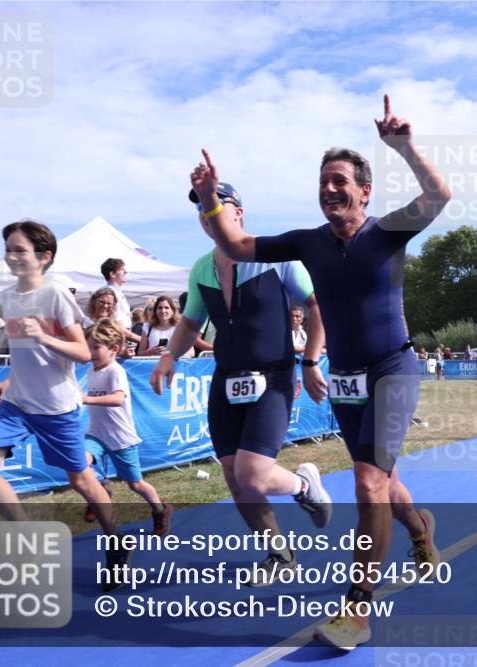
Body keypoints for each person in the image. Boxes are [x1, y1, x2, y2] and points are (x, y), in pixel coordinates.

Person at [187, 94, 450, 650]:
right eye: (323, 182)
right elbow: (233, 242)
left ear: (364, 190)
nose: (330, 190)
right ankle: (420, 528)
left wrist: (403, 147)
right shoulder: (306, 243)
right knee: (382, 478)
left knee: (367, 481)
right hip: (347, 375)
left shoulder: (390, 231)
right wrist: (211, 199)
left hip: (393, 367)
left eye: (340, 181)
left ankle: (356, 609)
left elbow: (439, 194)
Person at [151, 179, 332, 587]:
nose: (208, 213)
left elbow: (316, 307)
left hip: (274, 377)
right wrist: (168, 357)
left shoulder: (275, 256)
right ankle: (280, 554)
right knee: (235, 478)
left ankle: (304, 486)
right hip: (226, 379)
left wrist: (311, 360)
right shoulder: (201, 268)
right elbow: (191, 322)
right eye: (201, 208)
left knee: (253, 474)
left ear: (239, 213)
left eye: (217, 203)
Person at [0, 220, 131, 591]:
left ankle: (116, 540)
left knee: (80, 480)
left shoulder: (56, 294)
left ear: (44, 257)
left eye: (20, 249)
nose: (12, 256)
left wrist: (43, 334)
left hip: (58, 407)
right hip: (18, 403)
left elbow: (83, 352)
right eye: (9, 248)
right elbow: (26, 355)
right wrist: (11, 377)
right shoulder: (7, 297)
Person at [81, 318, 172, 535]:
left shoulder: (115, 371)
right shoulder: (91, 371)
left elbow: (117, 399)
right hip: (96, 434)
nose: (90, 352)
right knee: (80, 464)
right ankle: (100, 491)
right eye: (88, 347)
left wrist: (86, 399)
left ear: (113, 349)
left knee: (136, 484)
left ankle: (160, 510)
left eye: (96, 347)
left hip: (121, 438)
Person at [100, 258, 141, 345]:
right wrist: (141, 339)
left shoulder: (117, 292)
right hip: (118, 339)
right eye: (122, 269)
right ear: (112, 274)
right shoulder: (110, 294)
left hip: (122, 338)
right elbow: (116, 325)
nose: (126, 272)